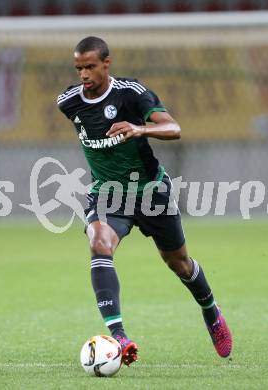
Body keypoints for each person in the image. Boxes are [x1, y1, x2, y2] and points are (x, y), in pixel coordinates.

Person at [57, 36, 232, 366]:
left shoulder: (132, 93)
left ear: (106, 64)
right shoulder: (68, 102)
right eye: (78, 68)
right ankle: (119, 336)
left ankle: (211, 310)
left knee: (179, 262)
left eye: (90, 67)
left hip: (152, 191)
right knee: (99, 242)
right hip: (109, 194)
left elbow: (174, 127)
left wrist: (139, 130)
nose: (83, 74)